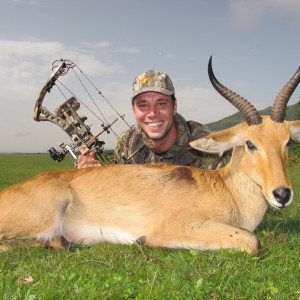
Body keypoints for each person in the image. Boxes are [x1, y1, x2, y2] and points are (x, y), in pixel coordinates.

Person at [77, 69, 219, 168]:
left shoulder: (207, 144)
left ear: (174, 107)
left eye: (161, 103)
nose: (152, 113)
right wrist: (91, 178)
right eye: (143, 105)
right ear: (133, 110)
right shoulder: (127, 143)